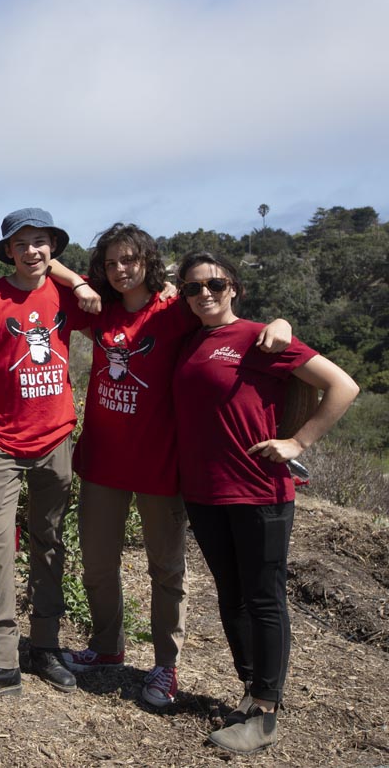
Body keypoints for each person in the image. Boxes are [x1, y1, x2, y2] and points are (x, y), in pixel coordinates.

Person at [60, 224, 291, 709]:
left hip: (161, 465)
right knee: (98, 565)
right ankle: (107, 647)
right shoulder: (98, 309)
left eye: (131, 260)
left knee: (166, 571)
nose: (122, 270)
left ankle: (166, 665)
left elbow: (226, 320)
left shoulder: (175, 310)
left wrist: (282, 323)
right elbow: (46, 276)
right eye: (111, 263)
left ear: (148, 261)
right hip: (102, 461)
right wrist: (81, 282)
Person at [172, 251, 357, 754]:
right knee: (230, 595)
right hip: (205, 493)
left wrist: (299, 443)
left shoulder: (262, 337)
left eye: (215, 283)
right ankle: (250, 693)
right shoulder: (189, 341)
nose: (204, 293)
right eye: (193, 287)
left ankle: (266, 712)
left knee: (264, 598)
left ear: (235, 287)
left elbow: (343, 385)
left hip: (259, 490)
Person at [0, 207, 94, 704]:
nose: (33, 250)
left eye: (42, 241)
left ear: (53, 248)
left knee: (50, 541)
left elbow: (126, 313)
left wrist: (76, 282)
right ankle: (2, 660)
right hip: (0, 444)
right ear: (8, 250)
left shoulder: (67, 296)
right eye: (23, 242)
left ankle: (46, 646)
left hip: (55, 438)